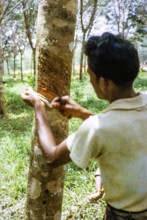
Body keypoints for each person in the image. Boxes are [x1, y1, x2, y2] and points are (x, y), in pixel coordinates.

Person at [22, 32, 147, 220]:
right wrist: (82, 113)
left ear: (104, 82)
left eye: (90, 75)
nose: (89, 79)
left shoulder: (98, 128)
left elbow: (52, 157)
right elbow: (121, 127)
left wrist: (38, 108)